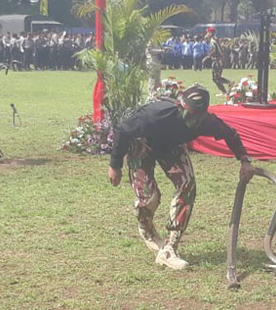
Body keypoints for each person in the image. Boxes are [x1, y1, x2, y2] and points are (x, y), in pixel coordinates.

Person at [108, 86, 254, 270]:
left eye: (199, 117)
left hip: (172, 145)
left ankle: (169, 249)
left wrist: (244, 159)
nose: (195, 122)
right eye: (190, 116)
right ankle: (146, 228)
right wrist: (115, 166)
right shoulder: (156, 115)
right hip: (142, 142)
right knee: (149, 197)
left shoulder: (206, 122)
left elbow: (230, 134)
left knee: (188, 186)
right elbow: (123, 129)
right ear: (180, 107)